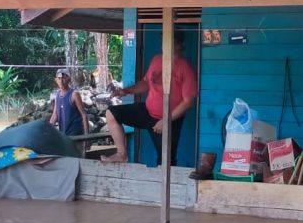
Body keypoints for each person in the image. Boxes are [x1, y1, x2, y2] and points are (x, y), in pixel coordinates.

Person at [102, 33, 197, 165]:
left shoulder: (185, 67)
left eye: (170, 41)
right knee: (111, 113)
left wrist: (165, 120)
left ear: (179, 45)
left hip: (169, 120)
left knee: (166, 160)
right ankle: (121, 154)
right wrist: (126, 91)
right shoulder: (157, 60)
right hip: (147, 111)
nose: (165, 45)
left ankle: (165, 185)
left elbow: (189, 101)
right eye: (164, 41)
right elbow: (146, 83)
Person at [49, 68, 89, 137]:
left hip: (75, 133)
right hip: (64, 135)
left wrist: (87, 135)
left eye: (64, 78)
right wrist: (47, 131)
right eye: (59, 78)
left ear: (69, 79)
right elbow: (55, 115)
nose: (61, 81)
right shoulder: (57, 95)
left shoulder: (74, 94)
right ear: (56, 80)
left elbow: (83, 114)